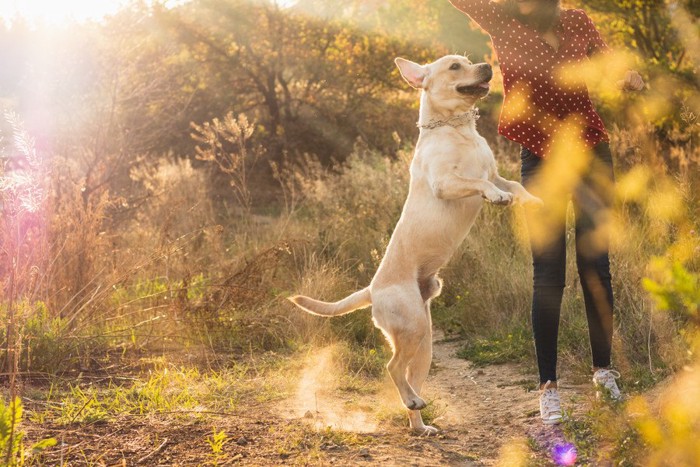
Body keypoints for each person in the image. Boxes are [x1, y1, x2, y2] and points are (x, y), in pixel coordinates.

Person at [448, 0, 645, 424]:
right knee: (548, 271)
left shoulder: (576, 21)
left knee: (597, 266)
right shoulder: (501, 20)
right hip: (539, 158)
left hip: (591, 153)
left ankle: (603, 371)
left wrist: (627, 77)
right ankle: (549, 388)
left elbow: (607, 65)